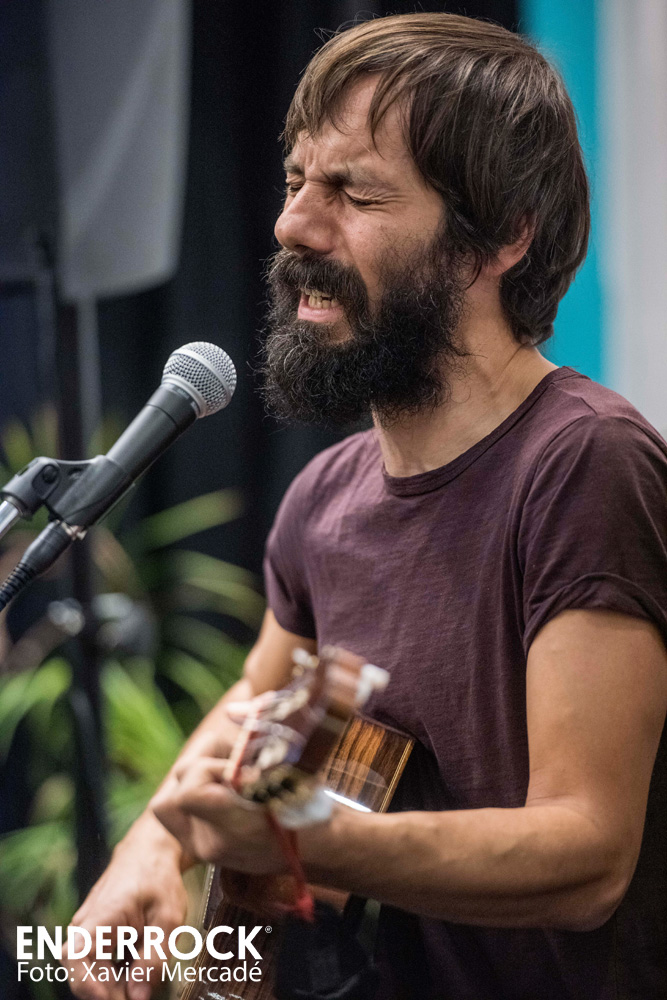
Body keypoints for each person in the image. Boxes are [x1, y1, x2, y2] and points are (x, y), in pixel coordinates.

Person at [67, 13, 667, 1000]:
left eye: (353, 193)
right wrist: (151, 849)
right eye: (297, 182)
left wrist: (308, 839)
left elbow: (587, 853)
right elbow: (253, 702)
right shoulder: (326, 498)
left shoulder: (583, 463)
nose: (294, 225)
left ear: (501, 235)